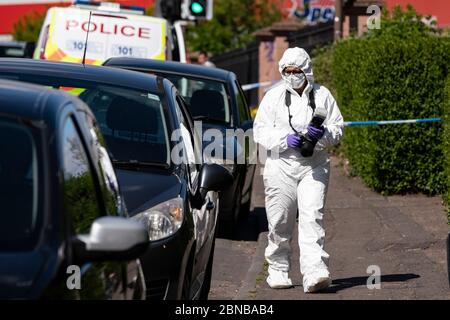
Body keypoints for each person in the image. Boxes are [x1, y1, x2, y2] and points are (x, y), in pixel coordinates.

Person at [253, 47, 344, 293]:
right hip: (280, 166)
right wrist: (285, 139)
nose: (292, 75)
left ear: (307, 71)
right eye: (288, 71)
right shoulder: (273, 97)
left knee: (312, 217)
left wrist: (321, 135)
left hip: (313, 166)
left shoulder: (323, 95)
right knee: (280, 221)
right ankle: (278, 268)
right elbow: (260, 131)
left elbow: (338, 128)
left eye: (297, 71)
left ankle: (315, 272)